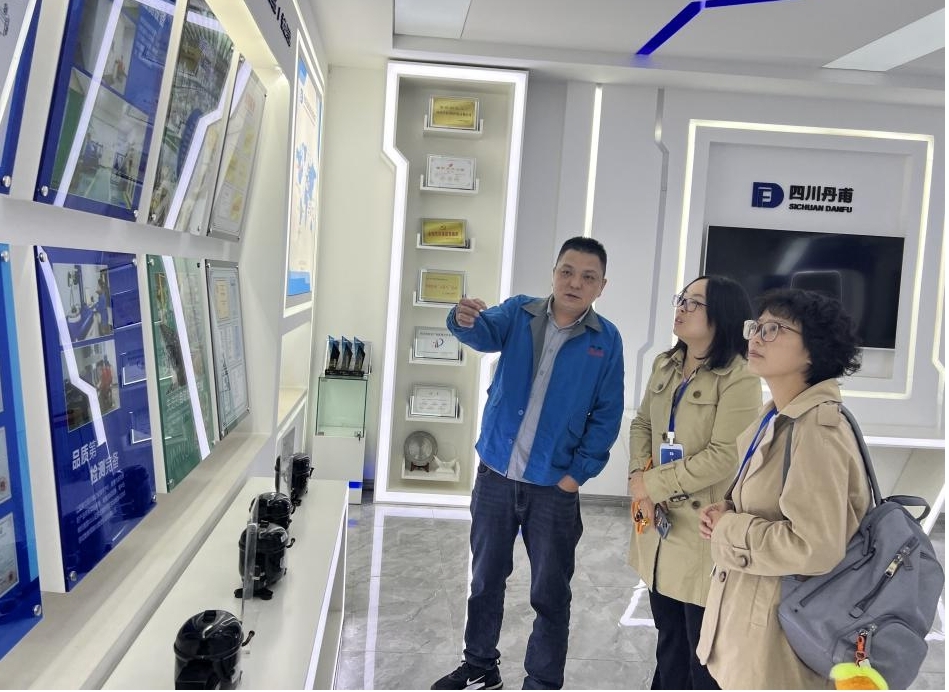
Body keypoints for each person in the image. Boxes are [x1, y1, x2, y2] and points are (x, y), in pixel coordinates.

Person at [431, 236, 624, 690]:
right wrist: (461, 317)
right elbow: (481, 332)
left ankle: (542, 681)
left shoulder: (606, 340)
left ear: (601, 286)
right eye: (567, 271)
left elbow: (607, 414)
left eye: (588, 277)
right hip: (496, 476)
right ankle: (480, 666)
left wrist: (576, 476)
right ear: (554, 273)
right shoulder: (520, 313)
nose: (575, 283)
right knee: (485, 580)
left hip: (553, 488)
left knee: (551, 593)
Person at [696, 288, 869, 689]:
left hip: (778, 643)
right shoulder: (777, 417)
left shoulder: (817, 431)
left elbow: (814, 546)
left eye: (774, 329)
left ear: (813, 351)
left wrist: (728, 528)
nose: (756, 337)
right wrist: (728, 511)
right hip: (752, 624)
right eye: (756, 327)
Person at [627, 275, 762, 689]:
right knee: (668, 636)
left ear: (721, 315)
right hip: (659, 524)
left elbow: (725, 455)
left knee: (701, 649)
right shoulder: (665, 363)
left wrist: (654, 484)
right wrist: (638, 477)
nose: (681, 308)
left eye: (694, 303)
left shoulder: (739, 376)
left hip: (700, 530)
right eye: (681, 299)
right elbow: (643, 424)